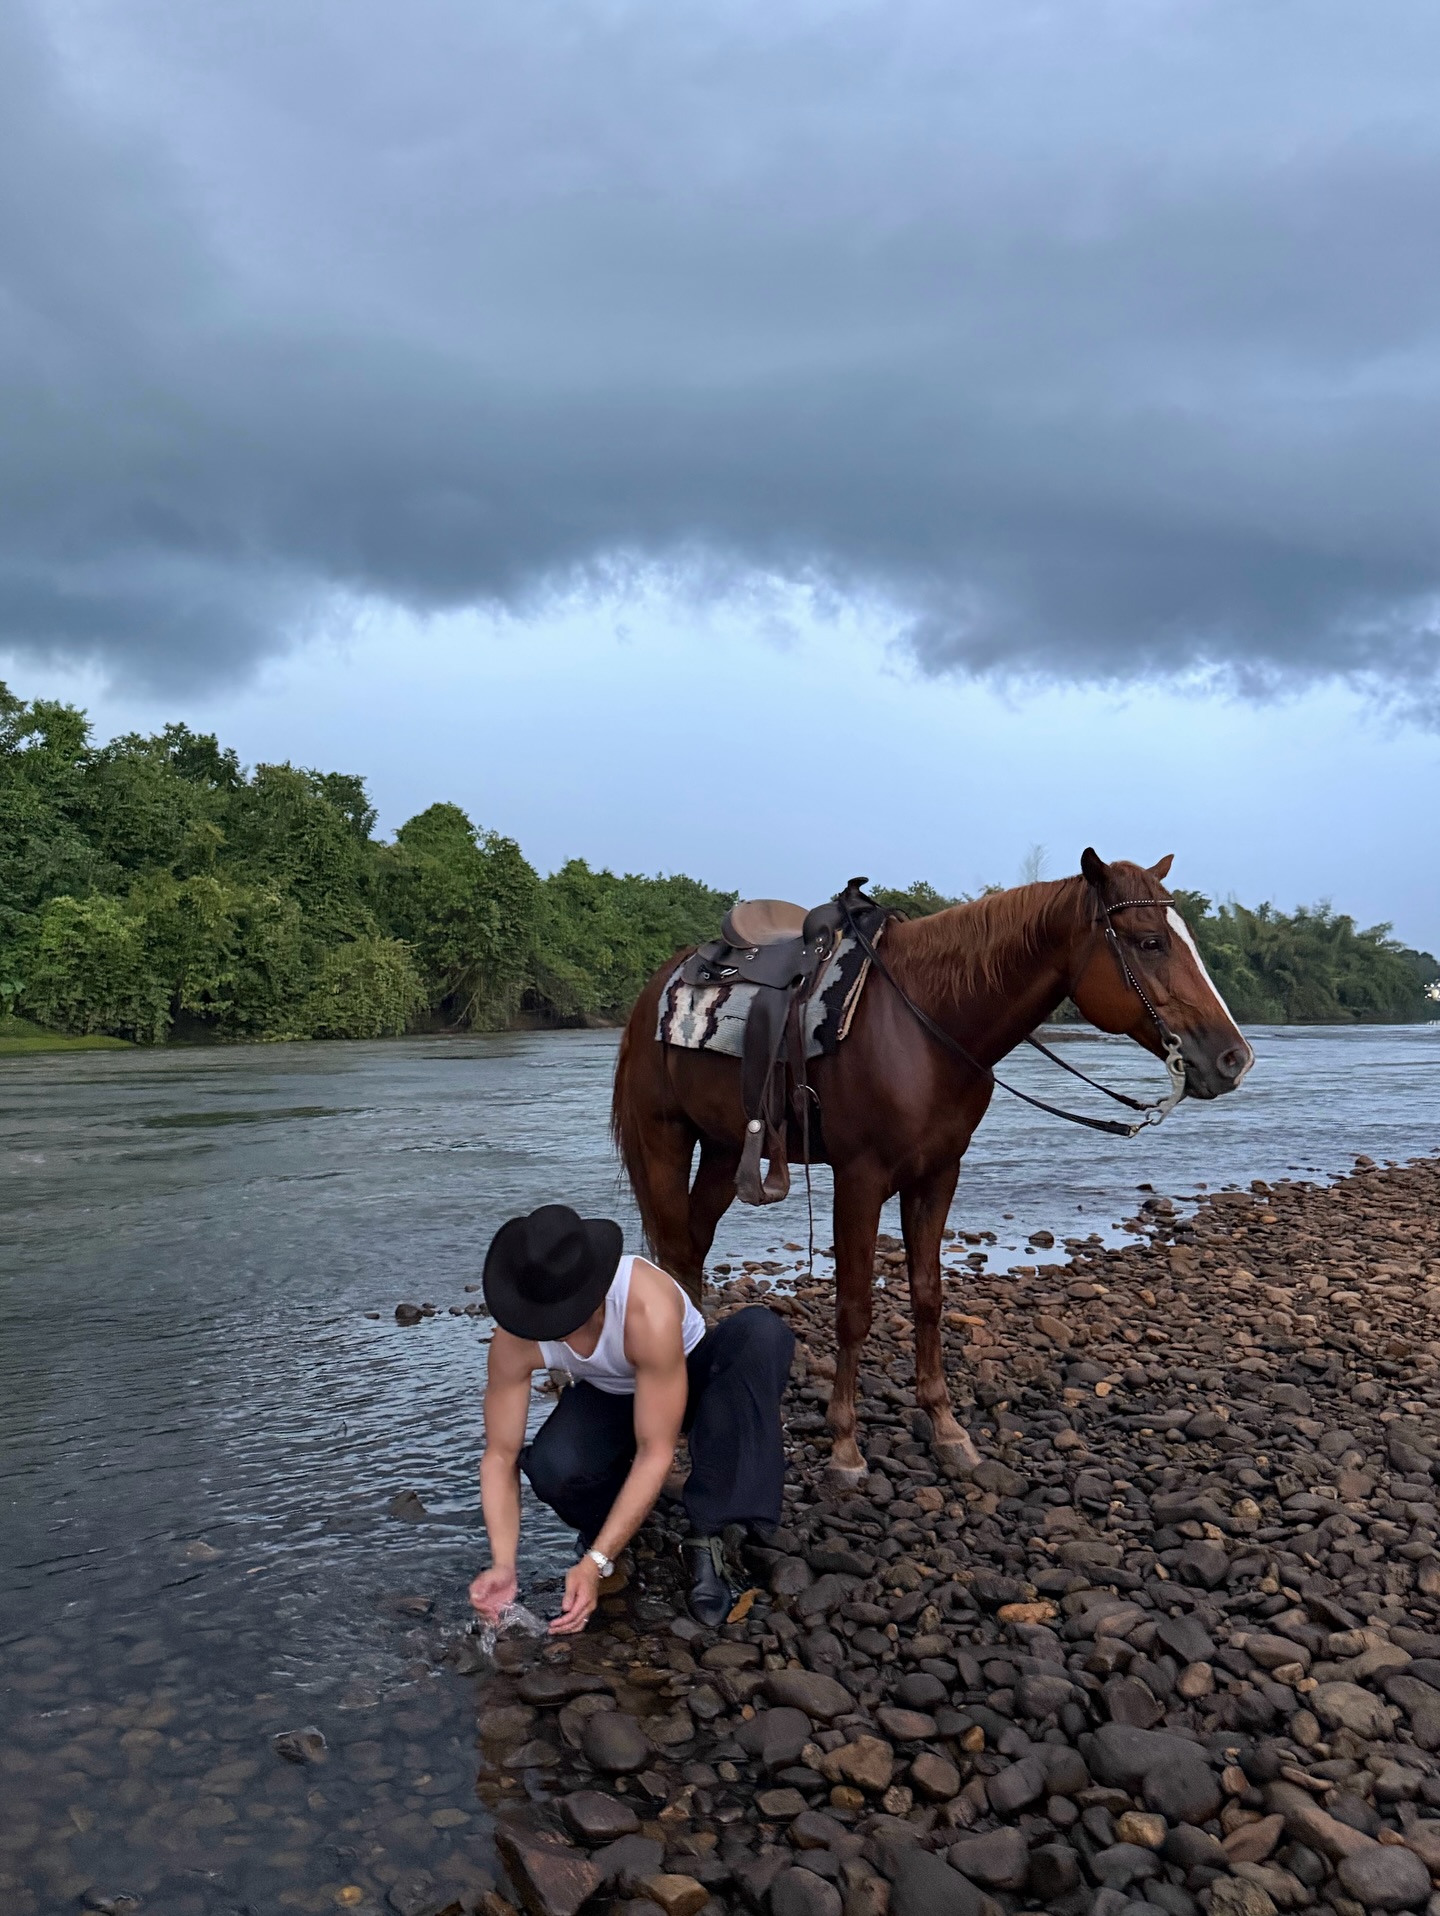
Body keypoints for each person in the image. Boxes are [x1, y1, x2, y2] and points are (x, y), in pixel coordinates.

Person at [468, 1203, 794, 1635]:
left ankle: (708, 1531)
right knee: (553, 1466)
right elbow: (499, 1456)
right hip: (613, 1392)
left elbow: (656, 1452)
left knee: (761, 1334)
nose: (552, 1329)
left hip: (693, 1375)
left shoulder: (645, 1308)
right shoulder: (514, 1339)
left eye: (563, 1317)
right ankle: (610, 1529)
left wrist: (593, 1564)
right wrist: (503, 1564)